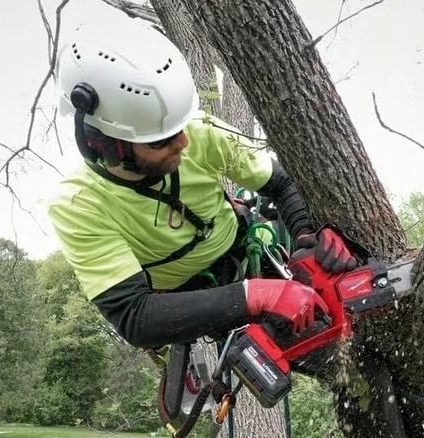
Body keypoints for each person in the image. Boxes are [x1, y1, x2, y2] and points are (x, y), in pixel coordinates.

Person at [48, 21, 358, 349]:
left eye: (180, 128)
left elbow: (280, 184)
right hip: (190, 301)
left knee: (348, 336)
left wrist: (308, 236)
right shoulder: (78, 205)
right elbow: (133, 315)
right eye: (162, 140)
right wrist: (257, 296)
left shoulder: (199, 131)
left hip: (244, 248)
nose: (183, 141)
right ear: (107, 146)